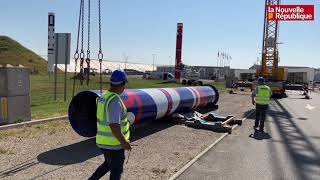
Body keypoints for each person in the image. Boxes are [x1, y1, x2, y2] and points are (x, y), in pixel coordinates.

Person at [89, 70, 131, 180]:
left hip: (103, 142)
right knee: (116, 172)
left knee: (108, 164)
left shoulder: (104, 96)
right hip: (114, 145)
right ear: (121, 84)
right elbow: (114, 126)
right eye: (124, 84)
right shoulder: (115, 101)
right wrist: (124, 142)